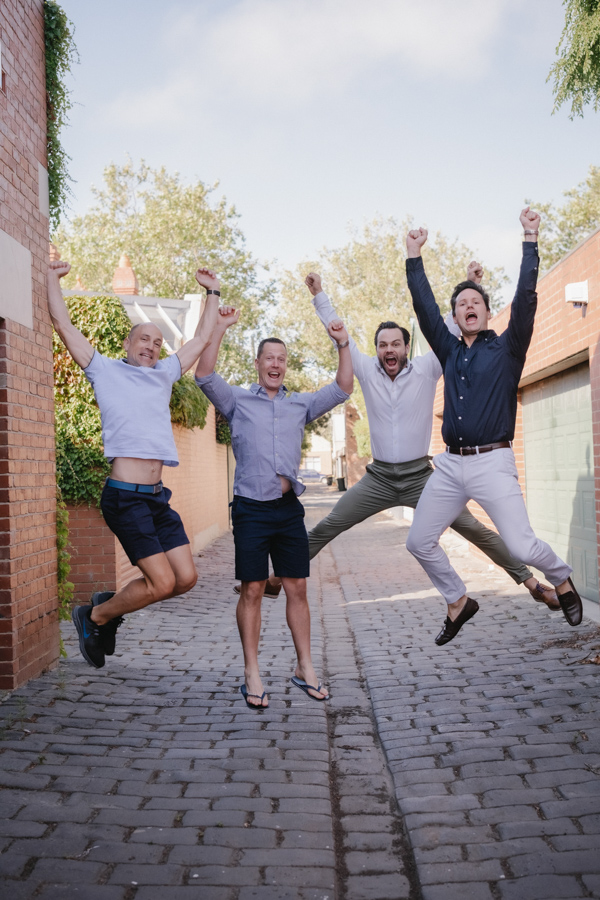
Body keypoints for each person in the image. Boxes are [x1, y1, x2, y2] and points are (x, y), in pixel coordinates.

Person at [250, 269, 558, 611]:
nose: (389, 349)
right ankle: (276, 578)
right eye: (383, 345)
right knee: (330, 525)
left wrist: (473, 286)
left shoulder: (429, 367)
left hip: (422, 478)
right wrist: (319, 294)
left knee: (473, 528)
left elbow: (450, 323)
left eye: (396, 343)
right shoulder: (366, 370)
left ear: (406, 346)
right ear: (377, 350)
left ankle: (532, 582)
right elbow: (340, 332)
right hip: (379, 479)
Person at [405, 206, 582, 645]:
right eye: (461, 304)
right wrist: (413, 256)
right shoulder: (448, 349)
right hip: (449, 466)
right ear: (457, 316)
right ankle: (458, 601)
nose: (468, 306)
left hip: (493, 462)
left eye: (475, 302)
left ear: (486, 313)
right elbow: (425, 308)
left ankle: (560, 577)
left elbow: (525, 300)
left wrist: (529, 241)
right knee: (419, 541)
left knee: (522, 548)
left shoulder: (508, 349)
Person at [48, 259, 223, 668]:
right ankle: (94, 616)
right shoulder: (103, 370)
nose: (151, 346)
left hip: (157, 499)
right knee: (160, 582)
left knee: (185, 579)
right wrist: (52, 279)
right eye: (143, 339)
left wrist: (211, 292)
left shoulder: (164, 374)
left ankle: (108, 607)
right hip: (124, 498)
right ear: (127, 345)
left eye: (158, 342)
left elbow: (200, 337)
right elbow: (63, 325)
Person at [195, 304, 353, 708]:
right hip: (250, 509)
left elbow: (343, 388)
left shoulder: (299, 404)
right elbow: (204, 374)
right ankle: (252, 672)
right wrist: (221, 328)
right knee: (251, 589)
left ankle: (305, 667)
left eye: (282, 360)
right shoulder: (238, 402)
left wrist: (343, 345)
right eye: (270, 358)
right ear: (258, 363)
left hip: (287, 510)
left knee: (297, 587)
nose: (276, 365)